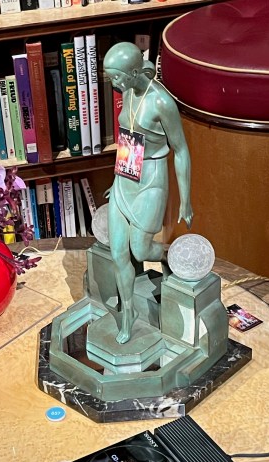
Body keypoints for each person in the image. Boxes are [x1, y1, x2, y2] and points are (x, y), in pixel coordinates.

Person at [103, 42, 194, 343]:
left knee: (140, 250)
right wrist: (117, 177)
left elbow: (181, 150)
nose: (114, 85)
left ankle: (169, 256)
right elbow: (128, 140)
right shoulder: (127, 92)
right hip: (126, 176)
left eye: (116, 78)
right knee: (118, 252)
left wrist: (186, 199)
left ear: (132, 73)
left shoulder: (161, 103)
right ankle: (128, 313)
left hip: (152, 178)